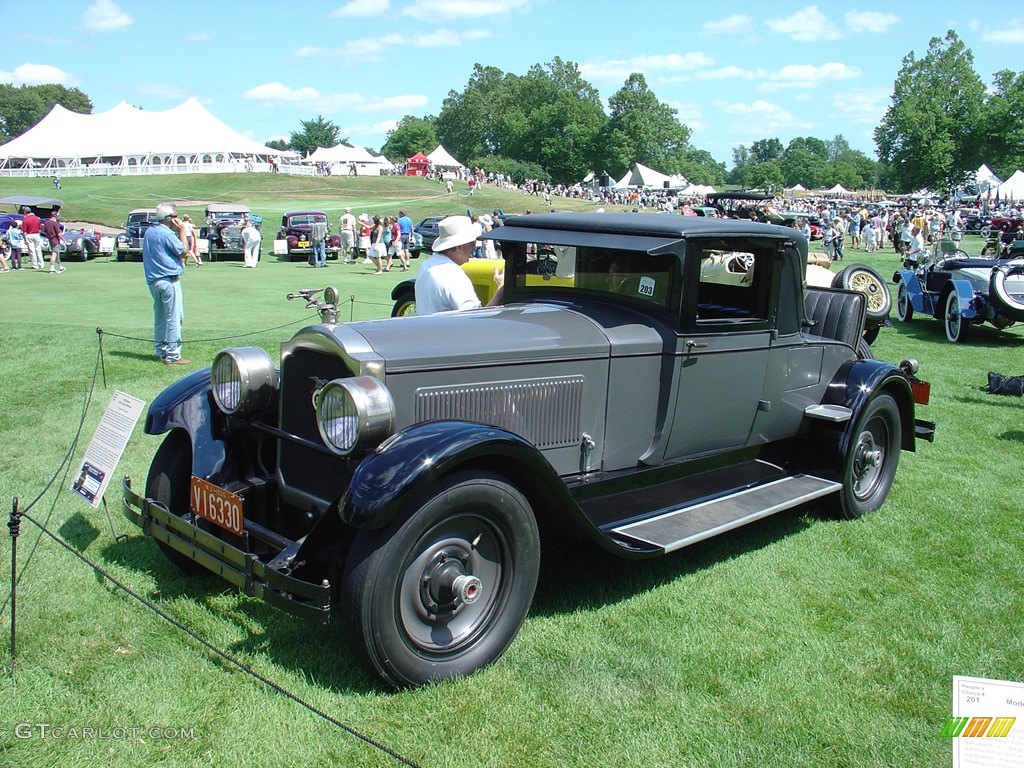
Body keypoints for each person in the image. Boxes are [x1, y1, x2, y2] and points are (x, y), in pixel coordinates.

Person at [415, 215, 504, 315]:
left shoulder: (425, 265)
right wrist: (500, 290)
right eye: (472, 242)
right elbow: (476, 318)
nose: (474, 246)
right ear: (459, 246)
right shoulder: (453, 275)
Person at [143, 202, 189, 365]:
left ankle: (160, 350)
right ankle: (173, 355)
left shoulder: (150, 231)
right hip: (168, 280)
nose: (177, 220)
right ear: (169, 218)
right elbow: (184, 251)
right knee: (174, 318)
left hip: (154, 280)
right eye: (175, 217)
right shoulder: (166, 233)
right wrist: (182, 231)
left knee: (161, 317)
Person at [42, 209, 65, 273]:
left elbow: (43, 231)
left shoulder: (46, 223)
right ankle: (52, 268)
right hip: (55, 240)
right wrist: (64, 240)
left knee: (56, 253)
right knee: (54, 254)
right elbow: (58, 233)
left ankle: (60, 266)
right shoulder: (54, 223)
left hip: (50, 239)